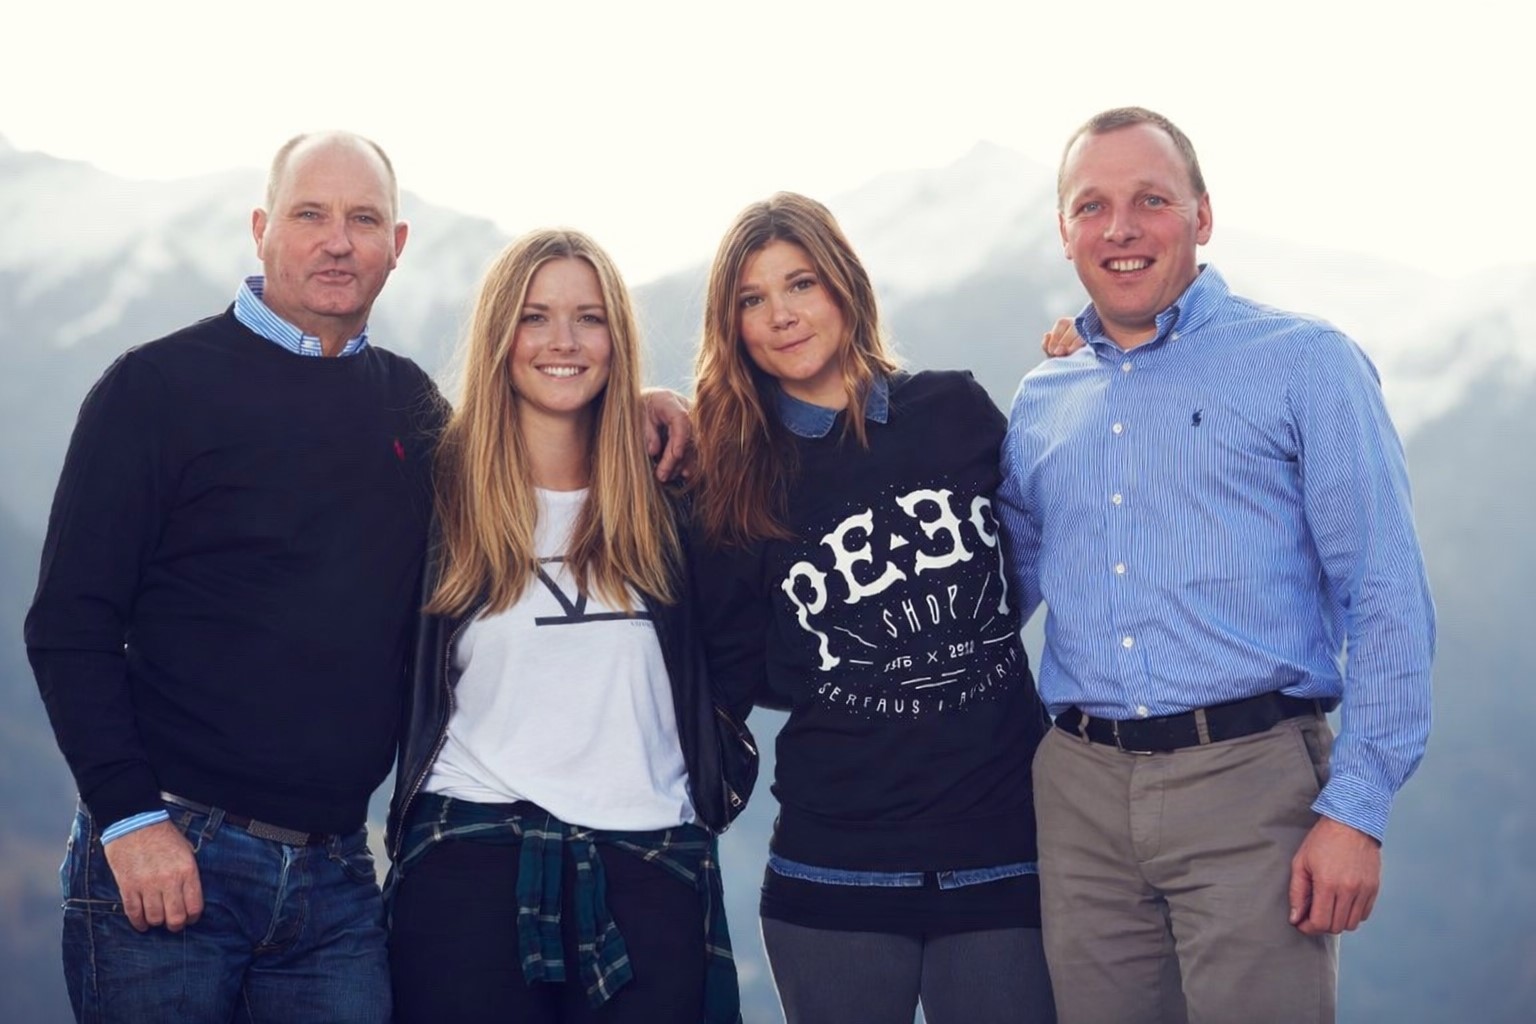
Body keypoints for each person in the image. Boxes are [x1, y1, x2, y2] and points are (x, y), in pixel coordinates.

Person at [24, 131, 693, 1023]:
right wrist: (129, 821)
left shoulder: (410, 407)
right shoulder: (154, 389)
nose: (337, 241)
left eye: (362, 219)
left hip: (337, 878)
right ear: (263, 229)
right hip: (177, 853)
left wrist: (637, 404)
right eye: (311, 216)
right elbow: (69, 625)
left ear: (396, 246)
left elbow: (522, 447)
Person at [995, 107, 1435, 1023]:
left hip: (1253, 789)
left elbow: (1384, 591)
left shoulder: (1305, 363)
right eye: (1093, 205)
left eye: (1149, 200)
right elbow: (996, 596)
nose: (1120, 228)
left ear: (1201, 216)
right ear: (1064, 231)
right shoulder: (1044, 398)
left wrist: (1357, 808)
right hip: (1077, 796)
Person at [689, 192, 1055, 1024]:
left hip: (1004, 851)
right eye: (752, 299)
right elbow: (737, 669)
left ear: (845, 287)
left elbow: (1039, 547)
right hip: (835, 872)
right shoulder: (736, 475)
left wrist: (1083, 368)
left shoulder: (954, 411)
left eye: (801, 284)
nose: (780, 315)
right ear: (733, 325)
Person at [383, 228, 752, 1024]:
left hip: (651, 856)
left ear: (618, 339)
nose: (562, 341)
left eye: (588, 318)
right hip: (469, 855)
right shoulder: (440, 494)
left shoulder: (673, 496)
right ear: (498, 336)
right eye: (535, 316)